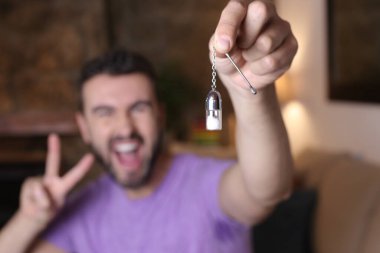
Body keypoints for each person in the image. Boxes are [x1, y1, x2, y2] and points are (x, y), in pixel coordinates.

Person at [0, 0, 298, 252]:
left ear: (160, 115)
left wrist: (251, 93)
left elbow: (267, 189)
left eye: (139, 108)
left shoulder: (203, 183)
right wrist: (30, 218)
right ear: (84, 127)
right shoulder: (81, 211)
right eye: (105, 112)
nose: (125, 127)